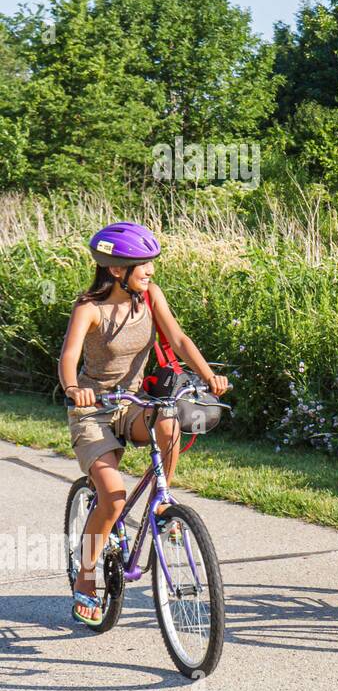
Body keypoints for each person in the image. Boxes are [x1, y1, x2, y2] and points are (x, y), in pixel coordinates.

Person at [58, 222, 229, 627]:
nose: (150, 271)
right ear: (117, 270)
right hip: (94, 409)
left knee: (168, 420)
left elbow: (180, 339)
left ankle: (163, 503)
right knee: (113, 498)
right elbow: (69, 356)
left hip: (133, 402)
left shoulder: (150, 296)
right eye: (142, 265)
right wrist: (72, 387)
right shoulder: (89, 307)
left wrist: (207, 377)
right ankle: (85, 576)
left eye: (151, 263)